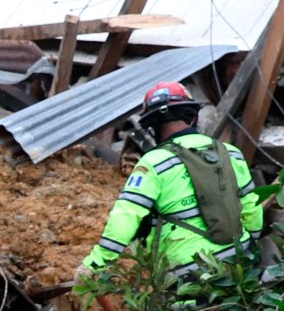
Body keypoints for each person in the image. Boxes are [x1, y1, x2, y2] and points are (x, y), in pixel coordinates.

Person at [77, 80, 262, 282]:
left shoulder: (153, 164)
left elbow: (127, 215)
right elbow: (251, 208)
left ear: (152, 126)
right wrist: (248, 246)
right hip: (240, 261)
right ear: (192, 117)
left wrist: (96, 264)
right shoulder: (231, 153)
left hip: (188, 271)